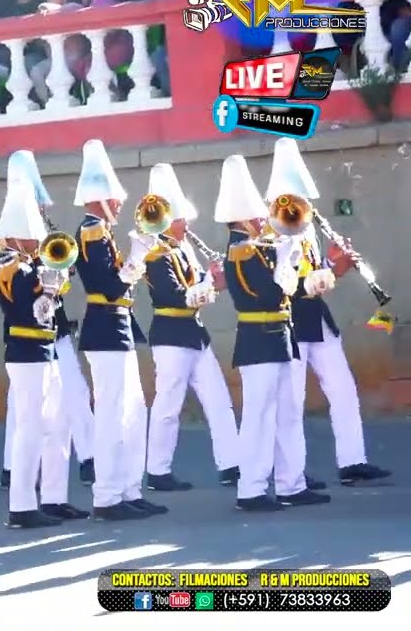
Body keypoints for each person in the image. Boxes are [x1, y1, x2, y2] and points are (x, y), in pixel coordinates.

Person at [263, 139, 391, 486]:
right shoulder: (271, 235)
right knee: (291, 401)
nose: (302, 206)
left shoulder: (307, 232)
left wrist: (334, 264)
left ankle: (352, 461)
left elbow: (316, 272)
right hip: (290, 322)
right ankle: (291, 473)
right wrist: (335, 269)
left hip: (318, 320)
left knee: (343, 389)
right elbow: (290, 283)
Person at [213, 155, 327, 511]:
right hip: (259, 337)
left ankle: (291, 484)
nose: (264, 219)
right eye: (258, 214)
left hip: (278, 335)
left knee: (287, 413)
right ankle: (251, 489)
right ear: (244, 215)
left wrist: (300, 272)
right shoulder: (241, 250)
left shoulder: (257, 247)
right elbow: (266, 293)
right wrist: (284, 260)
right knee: (259, 417)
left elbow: (287, 292)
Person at [72, 139, 165, 521]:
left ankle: (128, 488)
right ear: (99, 198)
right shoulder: (93, 232)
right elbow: (108, 287)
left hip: (118, 327)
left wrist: (134, 258)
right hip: (105, 326)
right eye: (115, 196)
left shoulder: (103, 232)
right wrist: (138, 258)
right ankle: (108, 495)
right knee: (112, 413)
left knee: (132, 410)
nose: (121, 202)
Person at [0, 176, 87, 528]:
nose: (36, 240)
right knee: (30, 427)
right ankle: (21, 506)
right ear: (17, 235)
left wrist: (53, 282)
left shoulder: (31, 265)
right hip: (25, 351)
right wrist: (47, 291)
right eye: (30, 234)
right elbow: (30, 309)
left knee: (57, 423)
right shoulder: (11, 268)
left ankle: (54, 497)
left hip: (45, 349)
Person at [141, 163, 240, 491]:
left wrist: (217, 277)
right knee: (168, 405)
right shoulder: (155, 254)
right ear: (169, 221)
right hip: (170, 334)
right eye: (183, 219)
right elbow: (175, 295)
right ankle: (157, 471)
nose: (188, 224)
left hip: (194, 333)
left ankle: (232, 463)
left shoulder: (183, 249)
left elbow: (201, 288)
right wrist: (208, 281)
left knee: (218, 399)